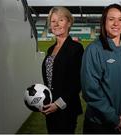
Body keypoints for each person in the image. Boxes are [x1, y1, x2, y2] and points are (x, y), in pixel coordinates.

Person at [81, 4, 121, 134]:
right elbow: (90, 91)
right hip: (99, 124)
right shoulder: (93, 50)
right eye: (111, 19)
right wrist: (114, 118)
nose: (116, 23)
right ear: (104, 22)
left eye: (120, 19)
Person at [41, 6, 84, 134]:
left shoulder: (76, 48)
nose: (56, 24)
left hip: (66, 108)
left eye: (60, 20)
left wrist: (58, 104)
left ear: (69, 22)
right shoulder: (50, 49)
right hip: (50, 107)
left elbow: (77, 82)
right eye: (53, 21)